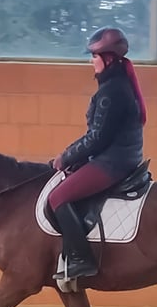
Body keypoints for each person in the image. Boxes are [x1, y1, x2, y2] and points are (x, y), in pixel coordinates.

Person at [48, 26, 148, 281]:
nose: (91, 61)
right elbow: (100, 136)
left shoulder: (112, 92)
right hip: (118, 157)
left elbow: (97, 138)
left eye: (94, 57)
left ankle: (83, 260)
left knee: (58, 197)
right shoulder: (117, 86)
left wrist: (66, 157)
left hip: (114, 162)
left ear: (109, 58)